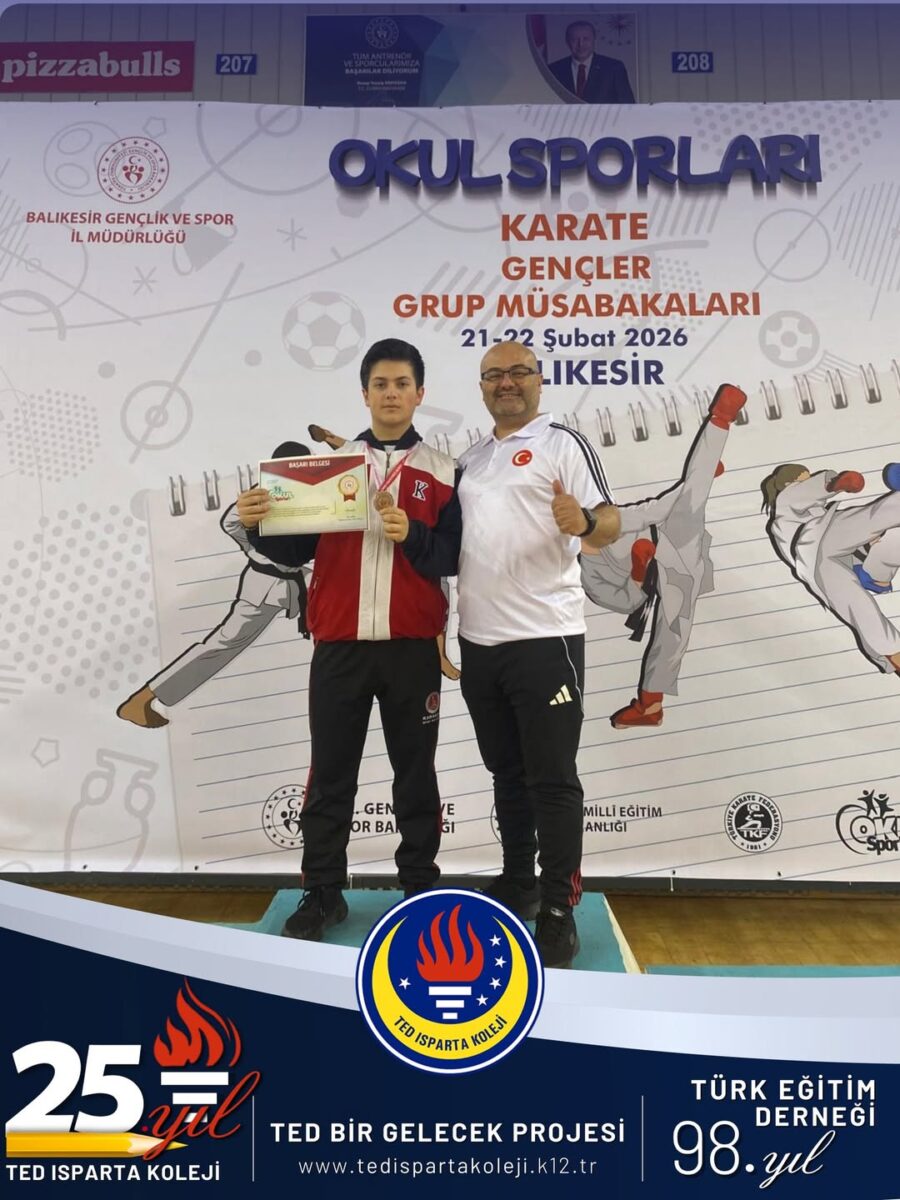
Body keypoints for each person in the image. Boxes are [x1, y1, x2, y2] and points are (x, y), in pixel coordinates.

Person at [236, 339, 461, 940]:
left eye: (402, 383)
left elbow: (453, 557)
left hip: (412, 647)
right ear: (364, 393)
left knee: (416, 773)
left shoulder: (444, 471)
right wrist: (257, 523)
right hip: (339, 646)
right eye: (380, 384)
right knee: (331, 773)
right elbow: (291, 551)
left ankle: (420, 888)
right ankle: (322, 891)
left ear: (420, 393)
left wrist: (413, 535)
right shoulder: (329, 470)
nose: (391, 393)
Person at [455, 341, 620, 968]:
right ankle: (519, 880)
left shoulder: (562, 443)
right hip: (479, 642)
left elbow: (610, 521)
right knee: (506, 772)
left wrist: (584, 523)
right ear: (482, 386)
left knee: (551, 778)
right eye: (494, 374)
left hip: (546, 640)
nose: (507, 382)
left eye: (518, 372)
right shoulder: (471, 460)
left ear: (539, 381)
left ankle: (557, 907)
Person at [580, 384, 747, 728]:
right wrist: (638, 569)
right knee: (672, 627)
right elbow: (626, 602)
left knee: (686, 503)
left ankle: (721, 419)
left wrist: (695, 483)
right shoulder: (590, 576)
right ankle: (650, 707)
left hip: (673, 536)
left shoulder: (610, 519)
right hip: (664, 574)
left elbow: (651, 510)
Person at [116, 440, 312, 729]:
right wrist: (255, 544)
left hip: (302, 578)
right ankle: (143, 699)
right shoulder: (259, 495)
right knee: (224, 644)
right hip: (266, 582)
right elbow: (231, 523)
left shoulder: (314, 494)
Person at [762, 461, 900, 674]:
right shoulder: (785, 502)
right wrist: (834, 483)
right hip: (814, 545)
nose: (807, 482)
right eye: (804, 480)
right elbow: (807, 492)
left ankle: (876, 577)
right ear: (789, 484)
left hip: (833, 563)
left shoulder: (816, 513)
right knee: (870, 519)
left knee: (857, 606)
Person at [548, 19, 635, 104]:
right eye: (574, 39)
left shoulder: (614, 68)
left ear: (594, 40)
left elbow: (628, 107)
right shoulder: (554, 70)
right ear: (567, 42)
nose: (581, 44)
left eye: (586, 39)